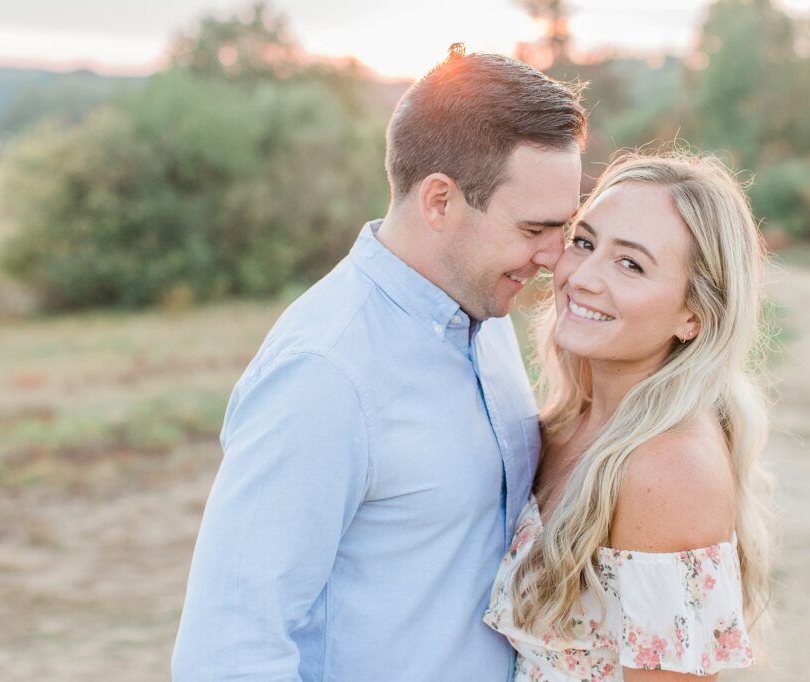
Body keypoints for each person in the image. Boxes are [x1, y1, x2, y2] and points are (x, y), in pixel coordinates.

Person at [172, 46, 586, 681]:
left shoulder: (486, 319)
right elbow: (228, 652)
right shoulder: (325, 372)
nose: (555, 258)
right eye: (535, 229)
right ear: (440, 202)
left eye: (564, 228)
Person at [484, 151, 775, 681]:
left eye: (631, 264)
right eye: (584, 242)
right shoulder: (568, 422)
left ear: (694, 314)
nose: (582, 278)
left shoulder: (669, 470)